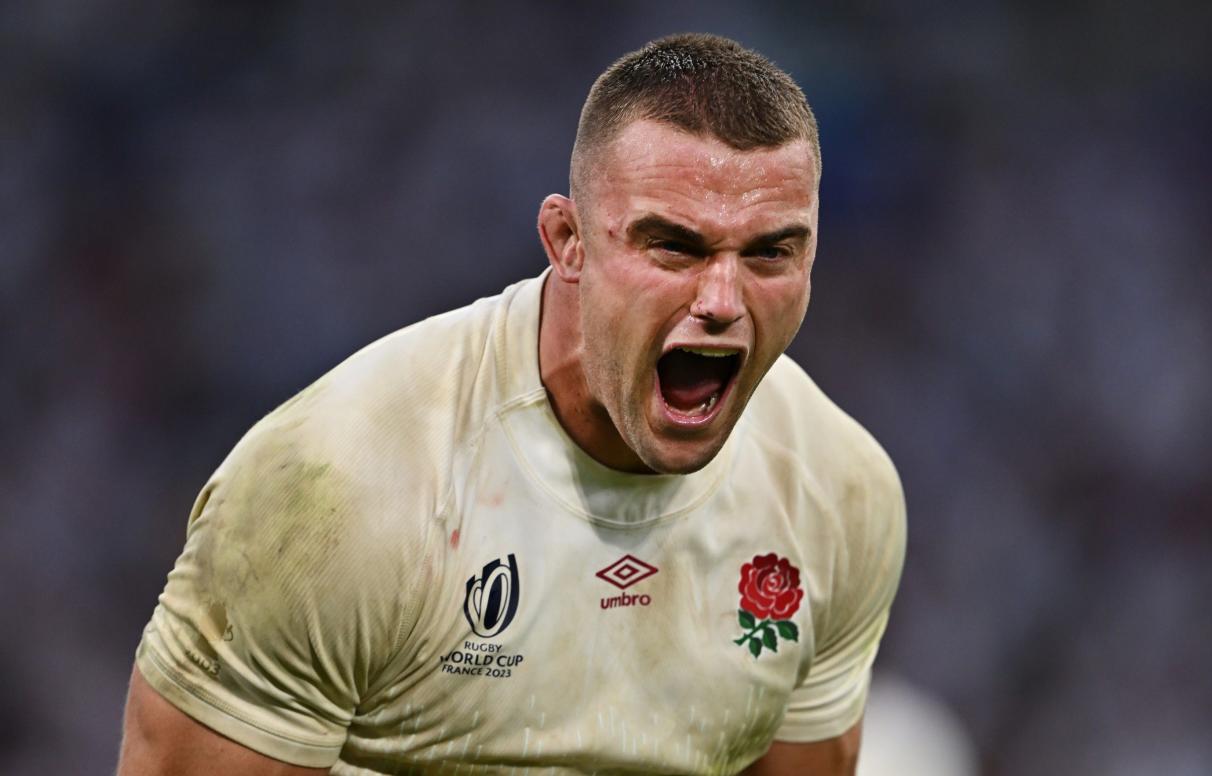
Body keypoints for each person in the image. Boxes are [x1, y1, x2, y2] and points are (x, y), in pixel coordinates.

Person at [117, 33, 905, 776]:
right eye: (675, 245)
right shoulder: (341, 490)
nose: (723, 301)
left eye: (771, 251)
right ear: (567, 241)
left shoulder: (838, 496)